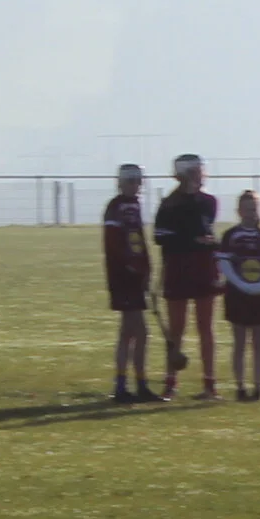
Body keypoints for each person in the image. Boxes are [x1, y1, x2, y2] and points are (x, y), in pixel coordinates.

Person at [151, 153, 221, 400]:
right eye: (197, 171)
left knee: (206, 328)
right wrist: (192, 241)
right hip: (177, 268)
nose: (201, 175)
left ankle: (210, 384)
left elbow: (204, 232)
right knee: (176, 329)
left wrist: (203, 243)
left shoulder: (209, 202)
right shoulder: (169, 204)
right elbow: (160, 236)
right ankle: (171, 382)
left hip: (203, 268)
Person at [217, 190, 260, 402]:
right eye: (246, 209)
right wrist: (241, 284)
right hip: (236, 294)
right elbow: (224, 264)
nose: (250, 213)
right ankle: (240, 387)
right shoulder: (230, 236)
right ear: (239, 211)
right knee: (240, 341)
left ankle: (258, 387)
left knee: (259, 340)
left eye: (254, 209)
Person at [101, 164, 157, 401]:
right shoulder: (115, 207)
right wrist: (130, 267)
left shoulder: (135, 206)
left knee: (129, 332)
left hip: (135, 276)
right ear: (121, 182)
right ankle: (135, 385)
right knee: (139, 332)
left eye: (138, 181)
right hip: (123, 277)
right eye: (131, 180)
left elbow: (139, 240)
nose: (135, 185)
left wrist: (146, 267)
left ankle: (125, 384)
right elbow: (113, 244)